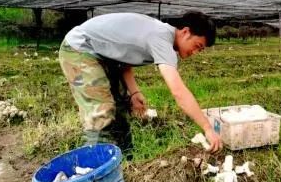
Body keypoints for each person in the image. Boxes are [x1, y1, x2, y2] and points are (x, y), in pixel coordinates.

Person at [58, 11, 223, 156]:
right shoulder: (161, 39)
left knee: (123, 104)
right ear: (186, 32)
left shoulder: (160, 32)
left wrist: (134, 93)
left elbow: (123, 55)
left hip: (103, 54)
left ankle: (125, 158)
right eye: (197, 46)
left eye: (200, 51)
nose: (194, 52)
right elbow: (178, 92)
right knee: (101, 111)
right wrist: (208, 128)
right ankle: (94, 168)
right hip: (80, 48)